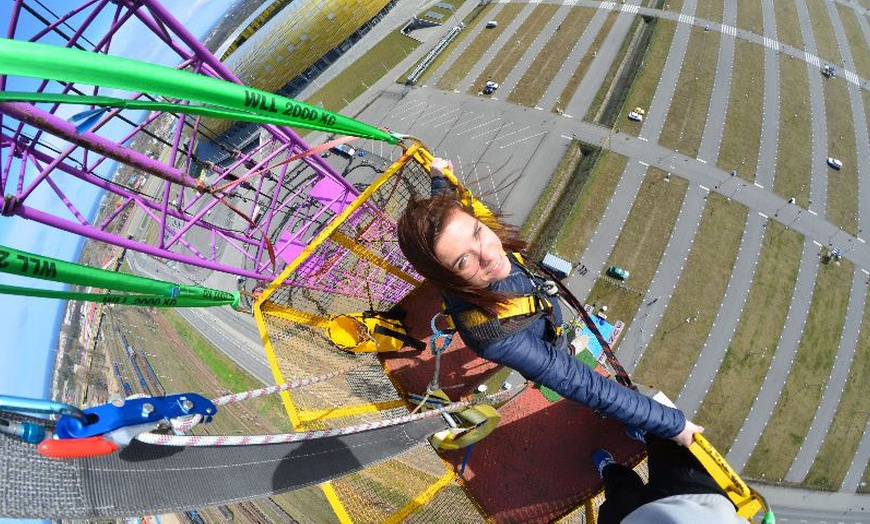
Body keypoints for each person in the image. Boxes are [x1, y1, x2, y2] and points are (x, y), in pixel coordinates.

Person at [397, 158, 703, 446]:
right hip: (533, 332)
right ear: (448, 277)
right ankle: (567, 350)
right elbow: (577, 381)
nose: (489, 253)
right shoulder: (492, 336)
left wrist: (438, 178)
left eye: (477, 231)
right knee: (560, 355)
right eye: (464, 261)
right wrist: (672, 424)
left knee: (556, 333)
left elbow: (449, 212)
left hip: (533, 306)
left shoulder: (452, 250)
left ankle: (565, 344)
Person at [593, 438, 749, 523]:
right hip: (701, 501)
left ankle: (611, 470)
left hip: (635, 517)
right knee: (669, 449)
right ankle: (652, 435)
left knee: (619, 493)